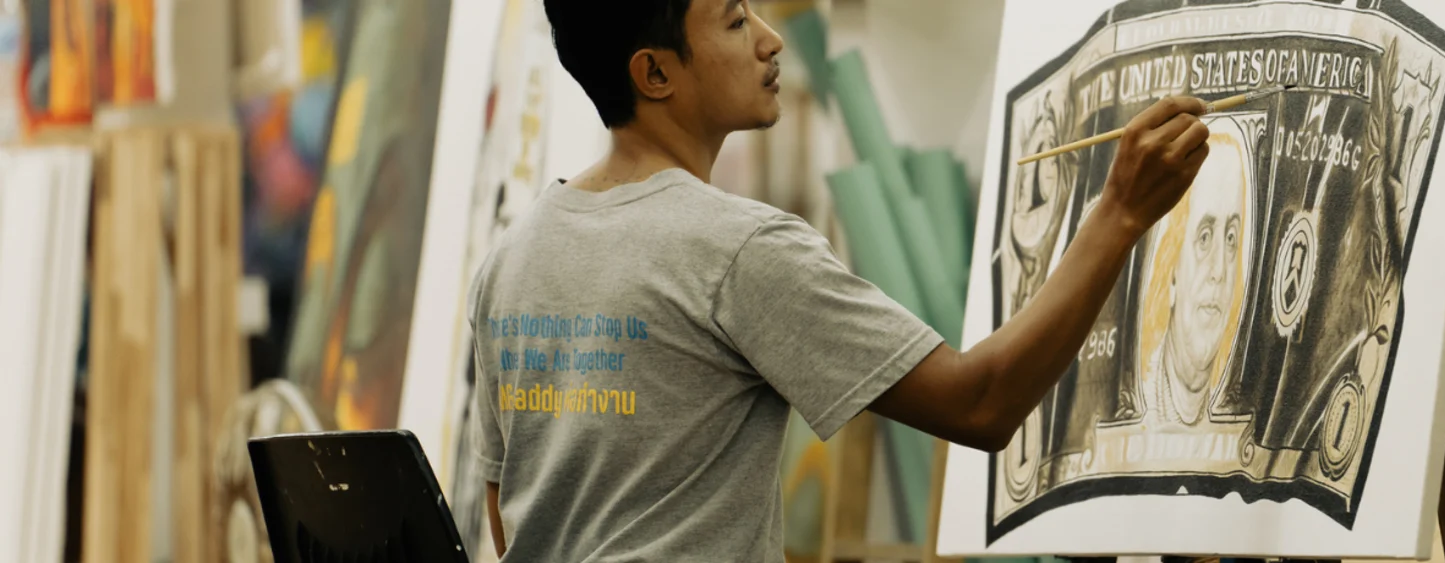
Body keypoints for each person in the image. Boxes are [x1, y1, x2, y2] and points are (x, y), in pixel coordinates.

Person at [472, 1, 1212, 560]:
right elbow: (981, 403)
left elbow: (510, 509)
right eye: (734, 23)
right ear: (655, 72)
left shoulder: (512, 258)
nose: (770, 38)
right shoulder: (738, 249)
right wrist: (1118, 213)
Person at [1137, 132, 1247, 428]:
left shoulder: (1235, 406)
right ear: (1171, 269)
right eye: (1205, 237)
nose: (1220, 270)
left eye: (1231, 238)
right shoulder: (1144, 400)